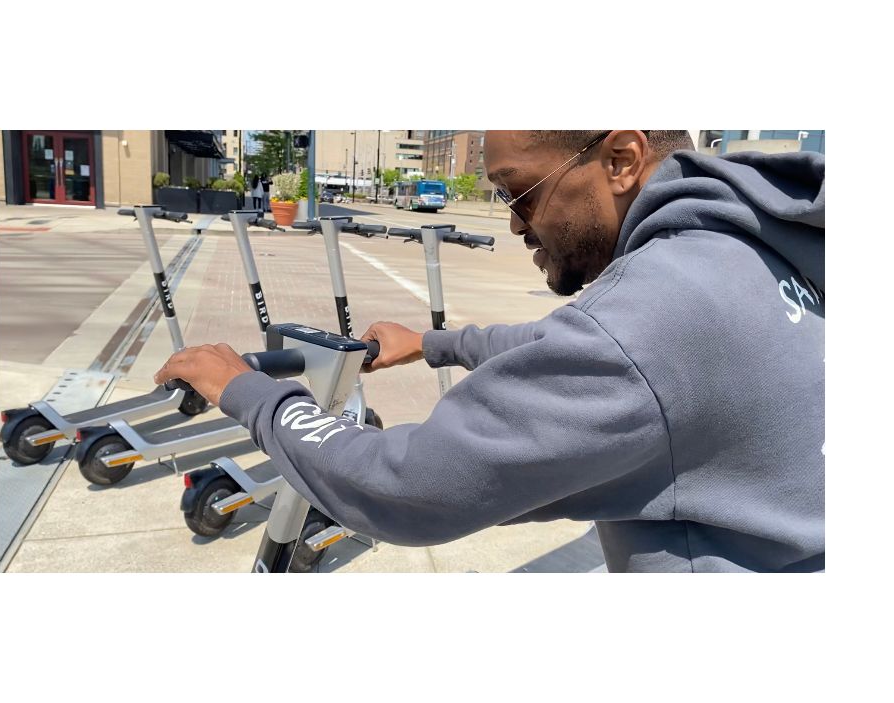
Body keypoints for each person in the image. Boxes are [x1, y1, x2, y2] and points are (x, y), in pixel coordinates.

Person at [154, 130, 825, 573]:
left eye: (518, 192)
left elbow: (407, 486)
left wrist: (251, 393)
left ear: (621, 161)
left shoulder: (651, 320)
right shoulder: (745, 243)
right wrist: (434, 344)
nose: (511, 221)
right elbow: (589, 349)